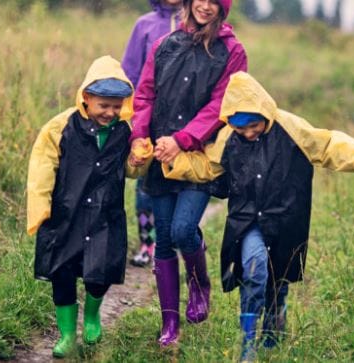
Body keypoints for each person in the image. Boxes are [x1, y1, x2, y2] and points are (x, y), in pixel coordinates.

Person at [160, 71, 354, 362]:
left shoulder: (290, 126)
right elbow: (207, 167)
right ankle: (248, 344)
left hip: (286, 218)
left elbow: (328, 145)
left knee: (279, 276)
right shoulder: (230, 135)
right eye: (241, 129)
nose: (248, 133)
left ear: (264, 112)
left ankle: (274, 322)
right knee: (254, 271)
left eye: (253, 126)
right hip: (248, 220)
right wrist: (174, 162)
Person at [127, 0, 247, 347]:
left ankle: (200, 284)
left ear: (223, 9)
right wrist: (139, 137)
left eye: (214, 2)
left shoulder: (232, 51)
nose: (205, 7)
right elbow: (145, 95)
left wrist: (183, 140)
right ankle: (170, 324)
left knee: (182, 230)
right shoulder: (164, 45)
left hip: (199, 158)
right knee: (163, 238)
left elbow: (222, 104)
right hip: (161, 155)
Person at [26, 56, 146, 358]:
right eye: (103, 105)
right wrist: (40, 207)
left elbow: (131, 172)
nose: (110, 112)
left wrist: (138, 160)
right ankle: (67, 335)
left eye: (116, 106)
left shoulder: (125, 131)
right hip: (66, 212)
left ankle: (92, 315)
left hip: (106, 214)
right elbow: (42, 165)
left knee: (100, 272)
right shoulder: (61, 126)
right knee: (62, 272)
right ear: (86, 97)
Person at [122, 0, 182, 268]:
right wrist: (130, 117)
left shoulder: (195, 23)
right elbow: (130, 73)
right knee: (145, 183)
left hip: (183, 120)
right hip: (147, 117)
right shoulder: (143, 25)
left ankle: (173, 241)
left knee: (180, 180)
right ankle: (148, 244)